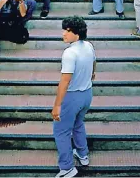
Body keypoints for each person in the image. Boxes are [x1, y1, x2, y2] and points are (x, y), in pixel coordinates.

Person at [52, 16, 95, 178]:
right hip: (87, 94)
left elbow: (65, 81)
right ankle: (83, 154)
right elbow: (94, 64)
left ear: (77, 34)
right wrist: (91, 75)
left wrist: (57, 105)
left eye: (68, 31)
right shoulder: (89, 46)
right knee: (78, 123)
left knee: (61, 131)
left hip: (72, 96)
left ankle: (67, 168)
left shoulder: (69, 53)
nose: (64, 34)